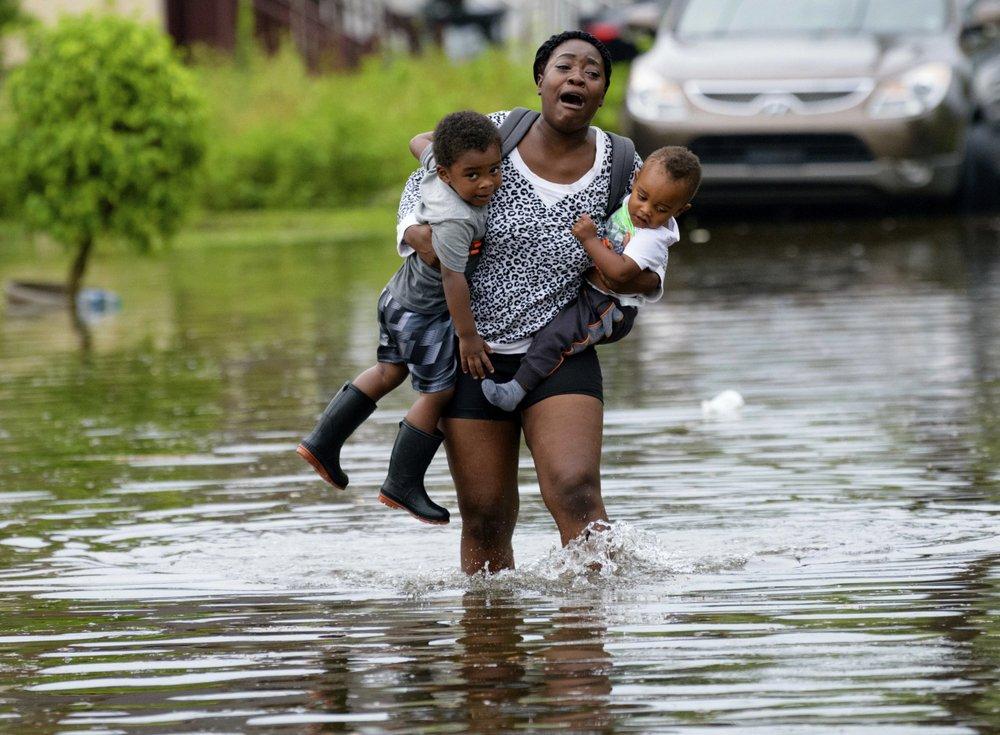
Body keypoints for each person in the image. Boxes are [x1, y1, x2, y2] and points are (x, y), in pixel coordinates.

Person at [398, 30, 658, 573]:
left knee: (576, 490)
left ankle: (592, 618)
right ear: (541, 80)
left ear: (602, 94)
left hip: (561, 347)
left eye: (592, 72)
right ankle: (490, 624)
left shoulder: (622, 164)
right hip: (471, 351)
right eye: (565, 66)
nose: (577, 77)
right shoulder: (495, 133)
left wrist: (640, 278)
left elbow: (647, 240)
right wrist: (418, 235)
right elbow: (423, 181)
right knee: (485, 515)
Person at [296, 110, 502, 525]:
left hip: (396, 299)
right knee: (439, 392)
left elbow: (416, 141)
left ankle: (322, 442)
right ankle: (402, 482)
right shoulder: (457, 219)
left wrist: (448, 138)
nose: (487, 183)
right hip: (423, 313)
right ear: (446, 174)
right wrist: (467, 337)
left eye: (494, 170)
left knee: (388, 371)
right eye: (473, 175)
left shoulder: (436, 165)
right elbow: (453, 279)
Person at [481, 146, 701, 411]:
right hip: (593, 294)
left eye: (661, 209)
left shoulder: (651, 238)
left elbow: (619, 273)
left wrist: (589, 240)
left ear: (680, 210)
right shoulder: (628, 204)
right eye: (642, 197)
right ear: (635, 179)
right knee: (551, 328)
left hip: (608, 307)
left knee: (557, 336)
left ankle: (516, 390)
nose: (646, 210)